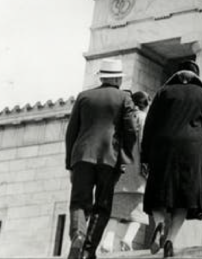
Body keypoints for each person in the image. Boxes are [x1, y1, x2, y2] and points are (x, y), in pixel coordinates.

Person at [141, 60, 202, 257]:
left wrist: (145, 156)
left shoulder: (163, 92)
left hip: (163, 148)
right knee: (184, 199)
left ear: (177, 75)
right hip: (193, 150)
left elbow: (149, 126)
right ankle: (170, 240)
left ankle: (159, 225)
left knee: (158, 194)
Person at [65, 58, 138, 259]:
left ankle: (78, 235)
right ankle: (88, 250)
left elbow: (71, 132)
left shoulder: (83, 97)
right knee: (102, 205)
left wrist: (70, 164)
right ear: (116, 78)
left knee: (79, 202)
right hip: (110, 158)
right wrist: (124, 158)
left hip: (82, 156)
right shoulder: (124, 98)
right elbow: (131, 131)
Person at [99, 91, 150, 254]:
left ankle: (107, 241)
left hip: (119, 171)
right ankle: (127, 239)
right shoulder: (144, 120)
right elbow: (146, 146)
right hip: (138, 172)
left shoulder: (120, 120)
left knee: (115, 210)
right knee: (139, 210)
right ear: (146, 104)